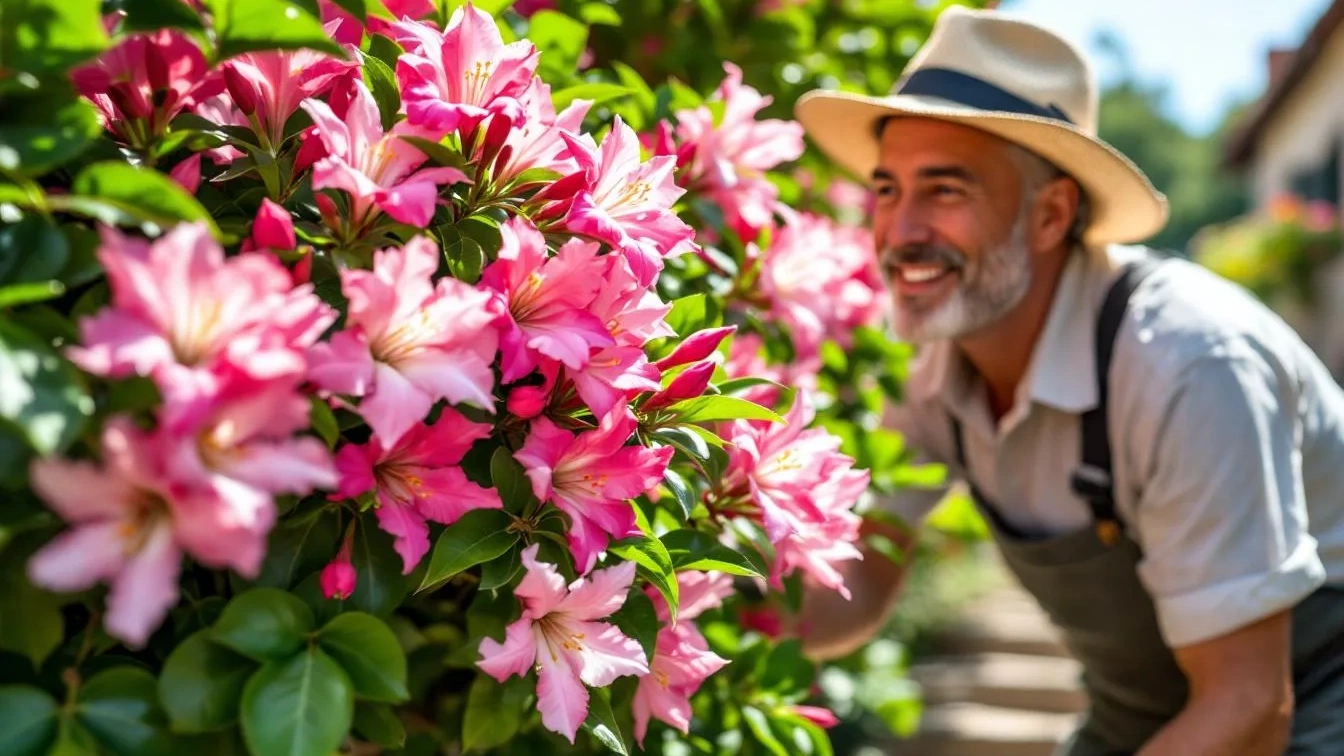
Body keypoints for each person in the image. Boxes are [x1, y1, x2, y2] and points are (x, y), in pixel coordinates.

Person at [790, 7, 1344, 756]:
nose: (901, 231)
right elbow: (852, 591)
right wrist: (692, 601)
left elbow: (1249, 705)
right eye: (887, 190)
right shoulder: (929, 367)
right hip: (1142, 714)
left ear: (1051, 214)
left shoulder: (1189, 366)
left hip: (1313, 701)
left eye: (945, 190)